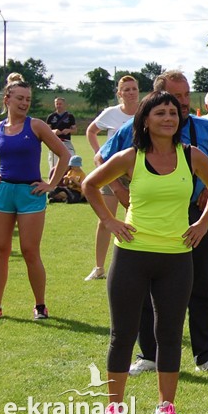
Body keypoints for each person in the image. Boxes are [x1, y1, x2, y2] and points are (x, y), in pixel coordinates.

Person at [82, 90, 208, 414]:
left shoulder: (192, 155)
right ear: (145, 120)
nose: (168, 118)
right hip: (131, 256)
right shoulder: (130, 156)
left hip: (176, 258)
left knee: (170, 334)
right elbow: (89, 184)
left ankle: (166, 408)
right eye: (160, 113)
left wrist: (203, 222)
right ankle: (113, 411)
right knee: (123, 334)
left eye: (174, 113)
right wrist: (109, 221)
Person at [99, 70, 208, 377]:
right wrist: (121, 191)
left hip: (191, 218)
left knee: (201, 287)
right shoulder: (132, 128)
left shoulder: (204, 130)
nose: (183, 103)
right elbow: (102, 160)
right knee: (145, 291)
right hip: (146, 219)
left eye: (186, 95)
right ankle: (149, 355)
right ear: (157, 99)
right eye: (176, 97)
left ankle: (206, 356)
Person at [0, 74, 71, 320]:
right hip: (3, 193)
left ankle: (40, 306)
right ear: (7, 99)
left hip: (30, 193)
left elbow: (63, 155)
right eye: (20, 98)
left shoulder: (36, 125)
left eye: (28, 99)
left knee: (29, 250)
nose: (25, 103)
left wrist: (51, 184)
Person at [85, 75, 140, 280]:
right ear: (119, 93)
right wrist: (99, 153)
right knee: (105, 219)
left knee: (135, 219)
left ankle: (134, 266)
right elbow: (91, 131)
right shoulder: (111, 113)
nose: (130, 92)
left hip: (137, 172)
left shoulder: (146, 110)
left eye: (133, 89)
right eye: (126, 89)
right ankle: (99, 267)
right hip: (112, 172)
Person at [45, 96, 77, 169]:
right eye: (57, 104)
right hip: (55, 142)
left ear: (64, 105)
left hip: (66, 142)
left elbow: (75, 130)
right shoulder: (51, 117)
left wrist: (69, 130)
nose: (58, 105)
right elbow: (47, 131)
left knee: (70, 164)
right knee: (54, 166)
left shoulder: (70, 116)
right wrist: (54, 131)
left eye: (60, 104)